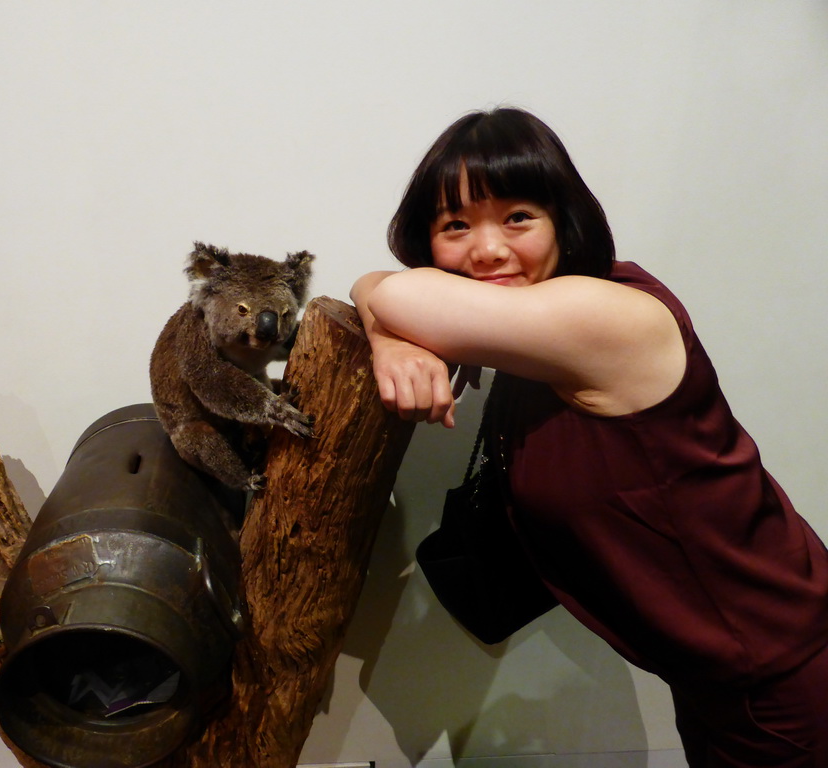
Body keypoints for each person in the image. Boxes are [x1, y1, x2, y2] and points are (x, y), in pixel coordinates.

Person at [350, 107, 828, 767]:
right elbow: (380, 289)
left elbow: (391, 292)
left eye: (517, 217)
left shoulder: (603, 315)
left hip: (787, 681)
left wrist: (388, 326)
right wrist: (384, 341)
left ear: (563, 220)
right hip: (719, 679)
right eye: (455, 225)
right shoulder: (526, 326)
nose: (486, 250)